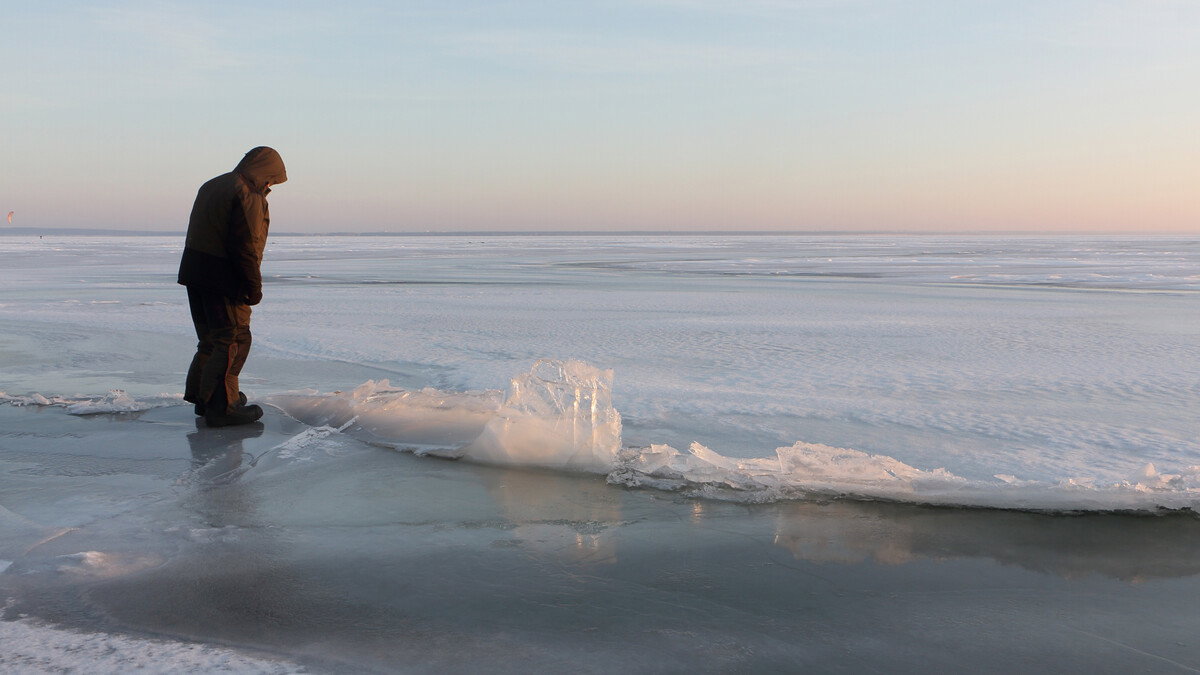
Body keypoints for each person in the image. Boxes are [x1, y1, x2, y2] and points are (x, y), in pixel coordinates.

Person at [178, 147, 287, 427]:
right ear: (265, 172)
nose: (270, 185)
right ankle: (222, 407)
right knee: (233, 339)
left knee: (211, 339)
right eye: (272, 180)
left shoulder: (214, 184)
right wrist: (253, 285)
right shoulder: (247, 193)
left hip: (196, 271)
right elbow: (246, 245)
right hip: (224, 276)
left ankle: (205, 398)